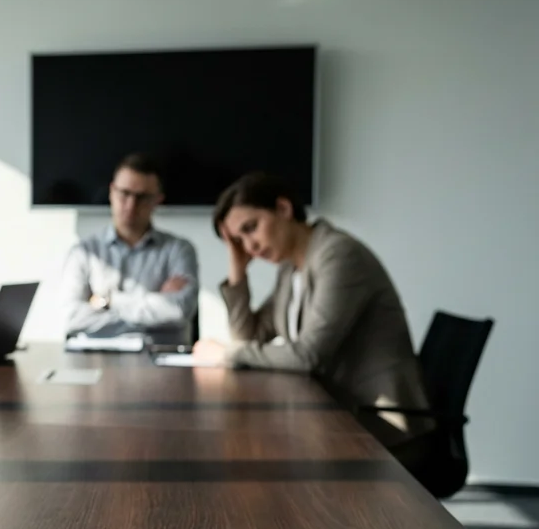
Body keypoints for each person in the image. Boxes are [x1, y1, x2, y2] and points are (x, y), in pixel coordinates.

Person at [192, 173, 453, 489]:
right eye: (239, 241)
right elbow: (250, 336)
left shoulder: (339, 255)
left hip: (382, 426)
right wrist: (237, 269)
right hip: (339, 418)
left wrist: (227, 354)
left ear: (283, 208)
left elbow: (309, 355)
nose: (251, 246)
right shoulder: (292, 269)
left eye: (251, 229)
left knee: (253, 462)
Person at [60, 154, 199, 341]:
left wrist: (107, 302)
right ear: (111, 192)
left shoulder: (179, 249)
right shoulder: (84, 252)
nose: (131, 205)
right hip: (96, 360)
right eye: (124, 193)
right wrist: (154, 306)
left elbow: (178, 310)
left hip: (160, 360)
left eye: (142, 197)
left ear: (157, 200)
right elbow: (72, 317)